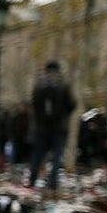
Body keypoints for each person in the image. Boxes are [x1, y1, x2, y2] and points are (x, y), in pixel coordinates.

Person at [27, 61, 75, 190]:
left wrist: (39, 120)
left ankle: (32, 180)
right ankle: (52, 183)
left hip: (42, 128)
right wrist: (63, 115)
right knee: (57, 157)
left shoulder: (39, 86)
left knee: (37, 156)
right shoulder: (63, 85)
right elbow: (72, 104)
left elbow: (34, 105)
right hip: (58, 128)